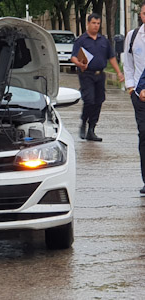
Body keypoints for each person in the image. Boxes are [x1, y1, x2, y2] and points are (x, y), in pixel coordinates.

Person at [70, 13, 124, 142]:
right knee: (89, 100)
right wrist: (79, 63)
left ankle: (91, 129)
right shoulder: (81, 40)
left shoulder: (103, 40)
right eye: (93, 23)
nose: (96, 26)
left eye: (98, 23)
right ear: (88, 24)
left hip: (100, 75)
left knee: (99, 101)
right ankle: (84, 122)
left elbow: (111, 57)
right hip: (86, 74)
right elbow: (73, 56)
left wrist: (119, 72)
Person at [125, 1, 145, 194]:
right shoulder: (133, 37)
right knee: (144, 136)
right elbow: (128, 64)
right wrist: (132, 88)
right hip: (140, 97)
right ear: (141, 14)